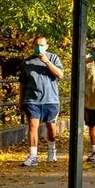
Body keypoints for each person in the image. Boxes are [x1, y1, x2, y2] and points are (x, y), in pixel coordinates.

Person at [20, 36, 63, 166]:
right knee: (33, 126)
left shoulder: (53, 58)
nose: (39, 47)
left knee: (51, 126)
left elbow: (60, 74)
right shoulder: (27, 62)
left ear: (47, 46)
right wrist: (21, 101)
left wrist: (47, 62)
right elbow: (22, 83)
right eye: (37, 45)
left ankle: (51, 150)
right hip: (32, 100)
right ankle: (33, 156)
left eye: (42, 45)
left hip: (51, 99)